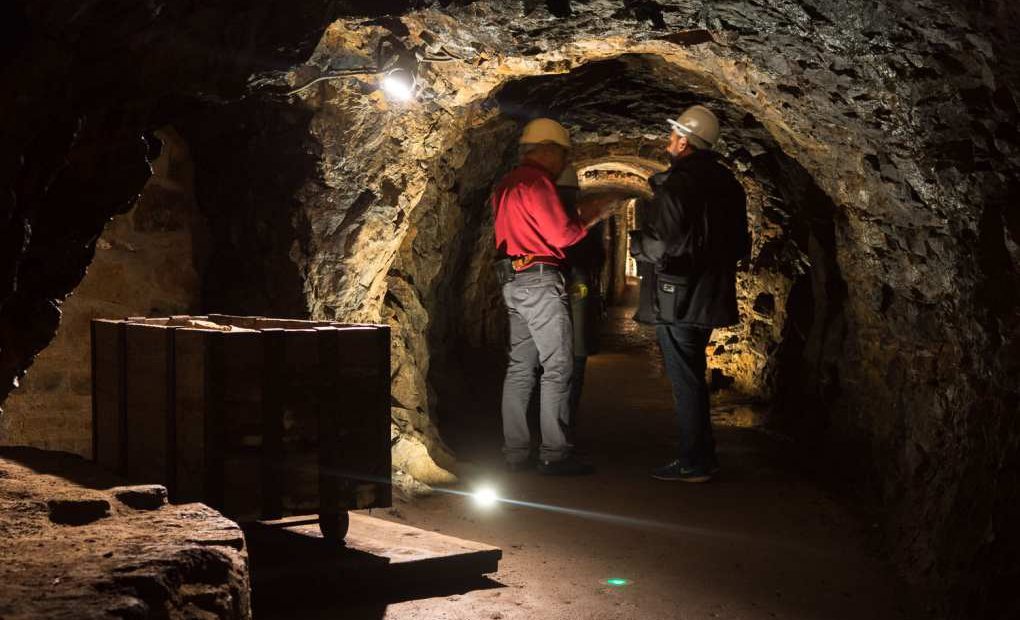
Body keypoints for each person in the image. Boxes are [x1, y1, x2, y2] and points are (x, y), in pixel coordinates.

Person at [629, 105, 750, 482]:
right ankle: (702, 455)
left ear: (684, 141)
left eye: (671, 137)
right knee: (692, 374)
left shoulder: (679, 183)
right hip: (711, 294)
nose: (668, 143)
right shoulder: (728, 184)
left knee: (686, 380)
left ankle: (694, 461)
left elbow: (662, 243)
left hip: (678, 297)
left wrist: (637, 246)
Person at [492, 118, 607, 476]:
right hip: (540, 280)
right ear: (545, 150)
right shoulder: (537, 182)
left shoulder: (506, 183)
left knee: (519, 369)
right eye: (561, 154)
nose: (562, 163)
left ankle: (514, 452)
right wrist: (588, 218)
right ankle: (555, 453)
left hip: (513, 281)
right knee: (557, 367)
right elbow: (562, 236)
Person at [555, 165, 606, 450]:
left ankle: (550, 428)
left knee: (548, 365)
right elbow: (597, 256)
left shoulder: (542, 216)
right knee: (575, 360)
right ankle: (565, 427)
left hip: (552, 294)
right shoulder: (581, 221)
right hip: (578, 295)